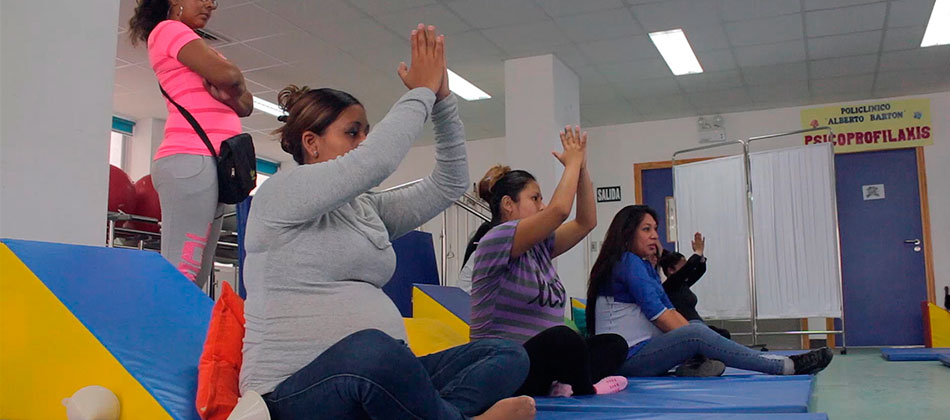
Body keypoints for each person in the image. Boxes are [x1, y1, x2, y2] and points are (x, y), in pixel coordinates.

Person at [240, 24, 534, 420]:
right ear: (311, 143)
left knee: (505, 353)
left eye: (367, 132)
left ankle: (438, 414)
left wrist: (443, 101)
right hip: (295, 393)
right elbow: (375, 162)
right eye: (352, 132)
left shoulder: (365, 210)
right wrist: (420, 93)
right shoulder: (280, 193)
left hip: (384, 376)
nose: (363, 140)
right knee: (373, 350)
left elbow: (449, 184)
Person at [467, 127, 629, 398]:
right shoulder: (495, 240)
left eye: (541, 198)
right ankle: (584, 388)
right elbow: (559, 211)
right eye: (535, 198)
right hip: (504, 366)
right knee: (563, 339)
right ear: (508, 205)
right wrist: (572, 163)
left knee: (613, 344)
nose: (542, 205)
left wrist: (581, 169)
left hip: (543, 363)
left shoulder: (540, 246)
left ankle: (564, 385)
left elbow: (586, 222)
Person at [586, 205, 834, 378]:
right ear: (627, 233)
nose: (654, 236)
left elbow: (670, 311)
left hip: (643, 351)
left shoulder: (640, 265)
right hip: (626, 360)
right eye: (646, 229)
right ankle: (785, 366)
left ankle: (693, 363)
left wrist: (698, 338)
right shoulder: (626, 262)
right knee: (696, 333)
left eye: (655, 229)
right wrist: (698, 340)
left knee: (697, 329)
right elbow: (661, 316)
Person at [129, 0, 253, 287]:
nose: (211, 4)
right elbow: (230, 77)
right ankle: (164, 330)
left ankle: (184, 331)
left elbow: (246, 105)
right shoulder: (169, 30)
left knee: (196, 275)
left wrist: (231, 90)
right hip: (190, 158)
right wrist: (230, 83)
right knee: (182, 272)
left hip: (214, 162)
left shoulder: (194, 43)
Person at [657, 233, 731, 339]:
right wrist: (697, 252)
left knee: (723, 333)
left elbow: (700, 270)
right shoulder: (669, 286)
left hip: (698, 326)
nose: (686, 268)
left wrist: (701, 255)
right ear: (671, 270)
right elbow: (689, 267)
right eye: (683, 265)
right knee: (722, 336)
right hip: (688, 329)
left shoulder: (682, 284)